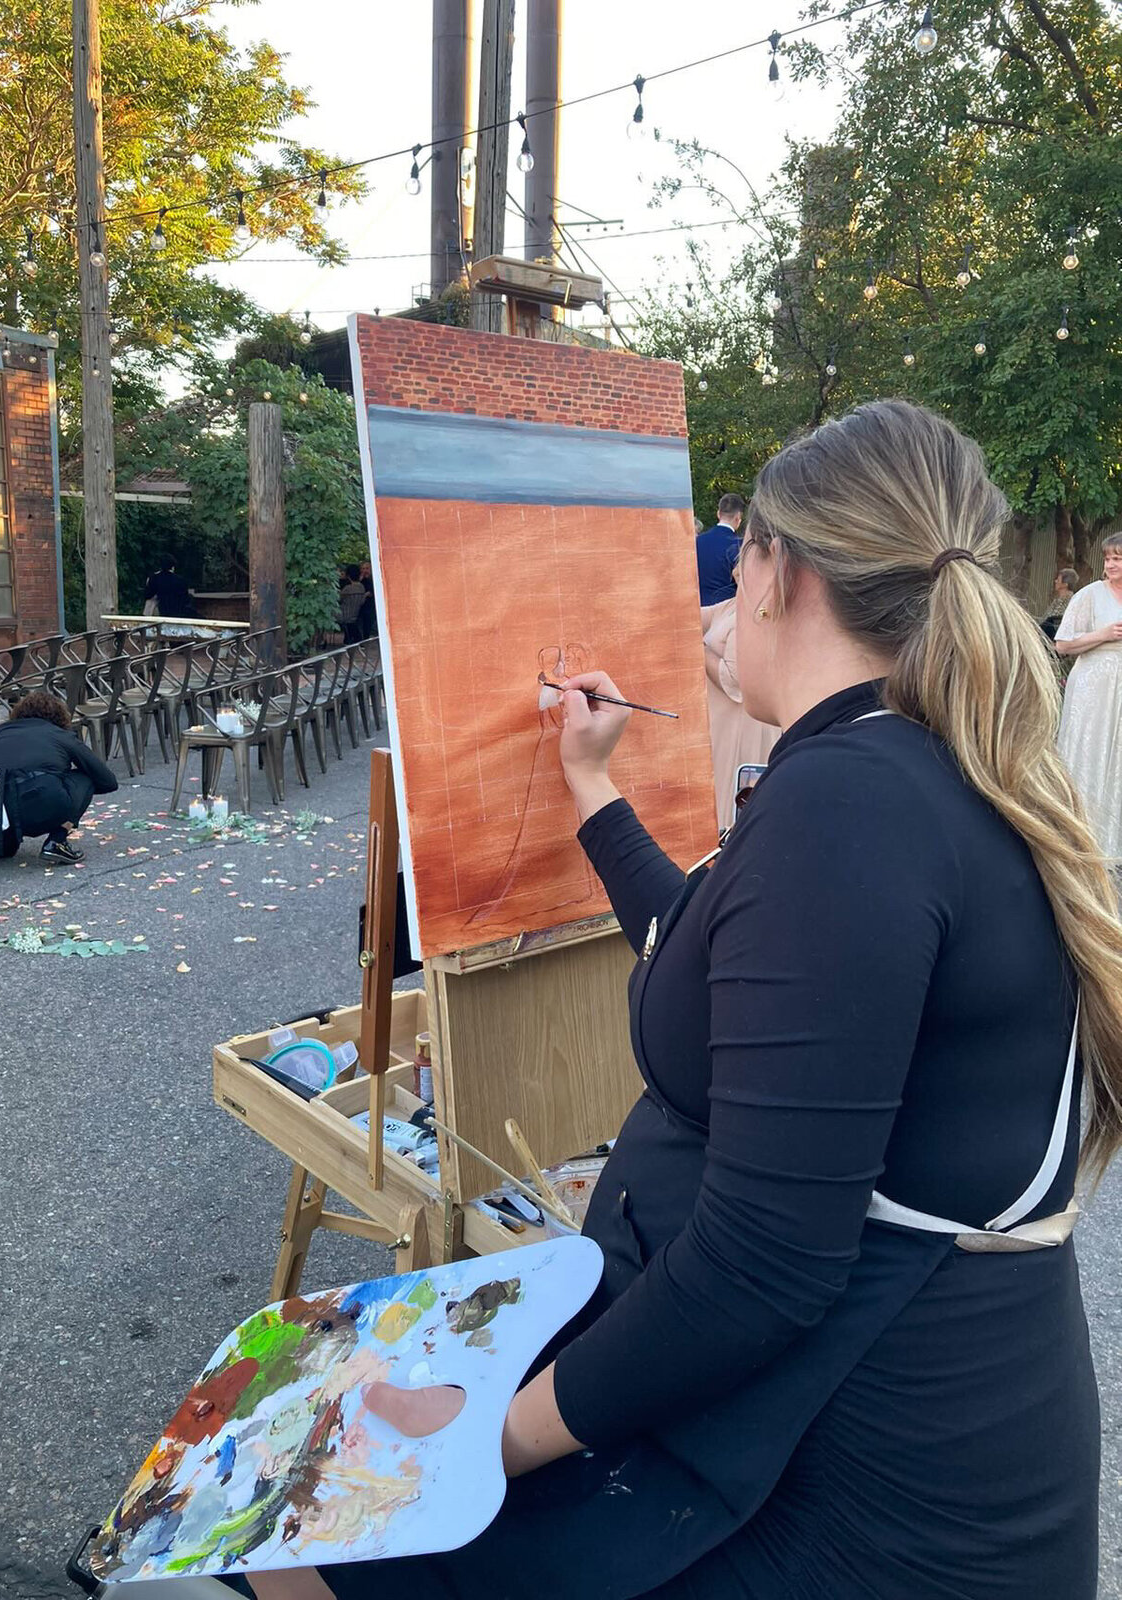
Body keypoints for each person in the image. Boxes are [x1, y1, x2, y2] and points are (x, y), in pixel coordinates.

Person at [221, 399, 1115, 1600]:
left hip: (847, 1477)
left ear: (775, 574)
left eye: (733, 551)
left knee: (305, 1527)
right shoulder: (909, 767)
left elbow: (762, 1267)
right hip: (832, 1399)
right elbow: (710, 952)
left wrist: (481, 1441)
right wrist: (592, 787)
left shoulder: (851, 806)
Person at [0, 690, 118, 872]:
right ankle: (56, 841)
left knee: (0, 852)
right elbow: (107, 780)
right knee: (85, 778)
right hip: (42, 801)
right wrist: (63, 777)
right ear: (59, 717)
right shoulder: (60, 735)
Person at [1055, 534, 1122, 860]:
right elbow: (1063, 644)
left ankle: (1113, 840)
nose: (1110, 565)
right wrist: (1102, 635)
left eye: (1117, 559)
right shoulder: (1089, 596)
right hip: (1093, 686)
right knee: (1089, 753)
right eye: (1108, 559)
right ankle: (1080, 838)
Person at [701, 598, 778, 829]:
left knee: (730, 799)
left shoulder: (760, 613)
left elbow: (733, 681)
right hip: (722, 722)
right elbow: (690, 616)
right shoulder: (733, 605)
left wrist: (697, 647)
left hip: (741, 727)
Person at [695, 492, 745, 605]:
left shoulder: (697, 541)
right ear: (738, 518)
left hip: (698, 608)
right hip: (726, 609)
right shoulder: (739, 545)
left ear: (718, 514)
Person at [1041, 566, 1080, 640]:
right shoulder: (1058, 600)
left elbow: (1053, 622)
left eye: (1058, 580)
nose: (1055, 581)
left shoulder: (1070, 602)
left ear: (1065, 584)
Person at [339, 564, 368, 643]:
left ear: (348, 576)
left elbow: (338, 599)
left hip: (343, 614)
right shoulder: (362, 587)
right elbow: (362, 601)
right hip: (355, 614)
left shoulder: (348, 588)